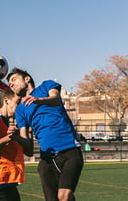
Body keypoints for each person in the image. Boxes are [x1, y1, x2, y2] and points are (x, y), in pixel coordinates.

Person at [6, 68, 83, 201]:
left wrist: (38, 100)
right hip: (47, 159)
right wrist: (17, 137)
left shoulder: (46, 86)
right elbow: (28, 148)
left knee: (64, 196)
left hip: (69, 150)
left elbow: (56, 99)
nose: (11, 84)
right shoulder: (20, 110)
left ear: (27, 79)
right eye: (9, 84)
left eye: (14, 80)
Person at [0, 90, 32, 201]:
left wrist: (22, 133)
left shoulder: (7, 123)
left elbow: (29, 151)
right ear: (6, 101)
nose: (19, 107)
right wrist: (8, 138)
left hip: (8, 181)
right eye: (17, 102)